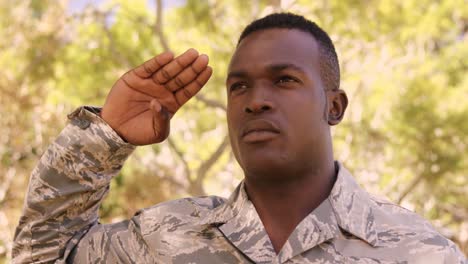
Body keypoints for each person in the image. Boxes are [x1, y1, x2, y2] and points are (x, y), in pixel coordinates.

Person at [12, 13, 465, 264]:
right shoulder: (158, 241)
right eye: (238, 86)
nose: (255, 101)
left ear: (335, 106)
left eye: (284, 81)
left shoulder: (418, 252)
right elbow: (43, 255)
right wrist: (104, 137)